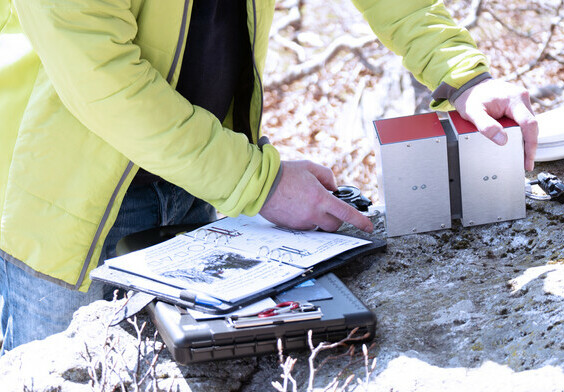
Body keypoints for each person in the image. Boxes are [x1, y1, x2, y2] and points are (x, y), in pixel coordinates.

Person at [0, 0, 537, 354]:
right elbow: (103, 79)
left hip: (202, 180)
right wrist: (262, 184)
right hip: (66, 199)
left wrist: (464, 74)